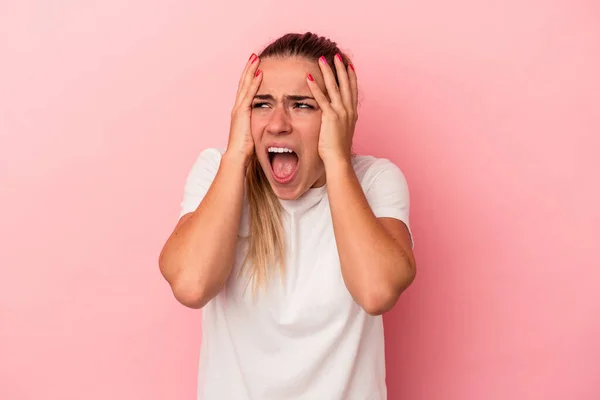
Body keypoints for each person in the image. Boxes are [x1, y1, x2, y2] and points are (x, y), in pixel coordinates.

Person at [158, 32, 416, 400]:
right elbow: (191, 284)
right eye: (262, 104)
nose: (277, 123)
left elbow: (376, 292)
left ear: (340, 115)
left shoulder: (376, 181)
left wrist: (337, 159)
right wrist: (237, 154)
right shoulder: (217, 170)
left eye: (303, 105)